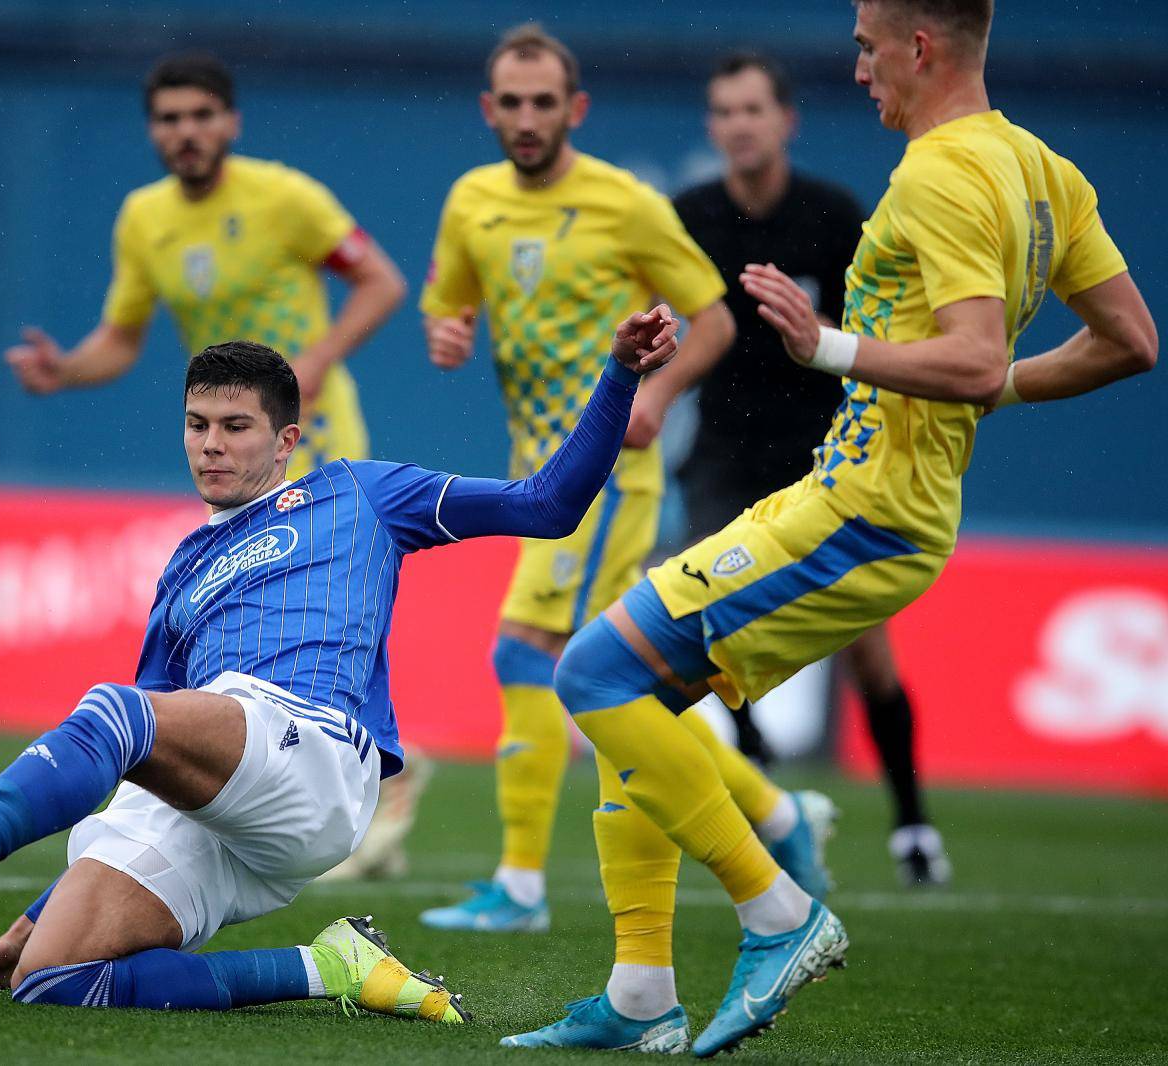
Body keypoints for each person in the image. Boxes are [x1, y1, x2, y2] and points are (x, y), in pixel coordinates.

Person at [526, 0, 1156, 1056]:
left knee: (593, 675)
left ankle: (778, 908)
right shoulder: (1045, 171)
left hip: (865, 509)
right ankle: (641, 991)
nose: (857, 67)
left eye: (867, 45)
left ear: (920, 45)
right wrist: (993, 391)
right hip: (864, 497)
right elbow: (1128, 339)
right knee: (638, 693)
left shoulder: (938, 171)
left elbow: (966, 351)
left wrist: (828, 348)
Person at [0, 309, 684, 1020]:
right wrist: (31, 924)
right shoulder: (182, 569)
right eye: (197, 424)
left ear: (287, 441)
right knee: (55, 981)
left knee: (120, 707)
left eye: (237, 426)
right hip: (234, 799)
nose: (212, 443)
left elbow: (550, 503)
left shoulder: (359, 492)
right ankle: (328, 966)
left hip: (317, 753)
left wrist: (620, 375)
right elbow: (140, 768)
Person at [417, 25, 829, 953]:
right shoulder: (470, 200)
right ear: (489, 110)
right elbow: (452, 297)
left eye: (542, 102)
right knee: (619, 689)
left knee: (528, 652)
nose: (526, 119)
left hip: (605, 477)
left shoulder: (624, 205)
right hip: (535, 481)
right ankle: (773, 814)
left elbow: (716, 317)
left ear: (576, 108)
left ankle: (521, 883)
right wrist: (446, 328)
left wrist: (660, 394)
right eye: (510, 103)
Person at [5, 51, 428, 883]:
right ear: (153, 131)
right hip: (230, 443)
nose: (186, 132)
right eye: (169, 119)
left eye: (201, 115)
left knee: (336, 618)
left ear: (230, 123)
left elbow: (381, 283)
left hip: (314, 439)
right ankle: (274, 781)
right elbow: (120, 339)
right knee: (246, 620)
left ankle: (375, 775)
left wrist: (311, 366)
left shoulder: (285, 198)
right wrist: (66, 371)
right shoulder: (144, 218)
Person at [674, 51, 950, 885]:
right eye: (723, 111)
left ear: (786, 121)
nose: (738, 125)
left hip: (821, 451)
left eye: (752, 109)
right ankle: (762, 781)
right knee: (698, 622)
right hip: (722, 453)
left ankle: (911, 826)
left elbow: (882, 332)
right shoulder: (689, 216)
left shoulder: (831, 216)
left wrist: (817, 329)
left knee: (868, 649)